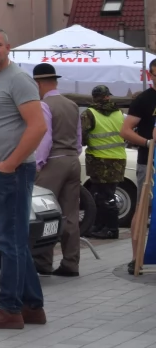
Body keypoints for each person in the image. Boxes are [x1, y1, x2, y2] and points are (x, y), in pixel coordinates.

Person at [0, 26, 46, 329]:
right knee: (11, 241)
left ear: (8, 47)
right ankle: (32, 306)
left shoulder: (19, 80)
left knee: (9, 242)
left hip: (10, 173)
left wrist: (11, 164)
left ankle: (9, 308)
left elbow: (37, 127)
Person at [30, 64, 83, 277]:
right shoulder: (72, 105)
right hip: (72, 159)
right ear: (56, 81)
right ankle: (71, 263)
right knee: (70, 214)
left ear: (38, 83)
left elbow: (45, 138)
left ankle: (43, 261)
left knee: (46, 213)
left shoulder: (44, 105)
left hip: (53, 160)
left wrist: (38, 164)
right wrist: (73, 153)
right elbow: (79, 139)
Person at [121, 58, 156, 273]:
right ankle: (137, 258)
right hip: (149, 161)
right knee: (143, 208)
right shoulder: (144, 99)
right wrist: (147, 142)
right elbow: (125, 130)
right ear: (151, 75)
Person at [83, 85, 125, 240]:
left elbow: (81, 136)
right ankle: (99, 226)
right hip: (119, 159)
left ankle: (112, 229)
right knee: (103, 194)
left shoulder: (90, 113)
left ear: (94, 97)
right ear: (108, 96)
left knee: (103, 196)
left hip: (99, 160)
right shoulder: (120, 113)